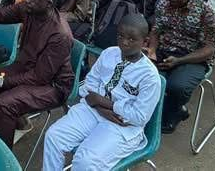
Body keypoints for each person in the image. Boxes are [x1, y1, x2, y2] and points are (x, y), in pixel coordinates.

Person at [44, 14, 161, 170]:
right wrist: (100, 108)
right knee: (54, 136)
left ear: (145, 42)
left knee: (85, 161)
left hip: (122, 124)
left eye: (132, 39)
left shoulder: (149, 76)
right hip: (93, 110)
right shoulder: (109, 54)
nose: (124, 42)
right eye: (120, 36)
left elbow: (140, 116)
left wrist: (104, 103)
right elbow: (89, 85)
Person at [0, 0, 74, 149]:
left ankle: (2, 158)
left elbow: (40, 77)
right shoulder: (28, 10)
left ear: (49, 4)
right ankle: (20, 124)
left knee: (4, 102)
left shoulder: (59, 35)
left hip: (53, 85)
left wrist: (0, 82)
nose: (28, 0)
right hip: (26, 68)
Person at [148, 0, 215, 133]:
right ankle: (160, 108)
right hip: (164, 51)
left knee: (177, 87)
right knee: (140, 75)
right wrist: (152, 51)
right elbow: (156, 31)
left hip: (193, 57)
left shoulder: (207, 12)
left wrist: (179, 60)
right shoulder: (163, 4)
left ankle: (175, 111)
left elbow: (210, 48)